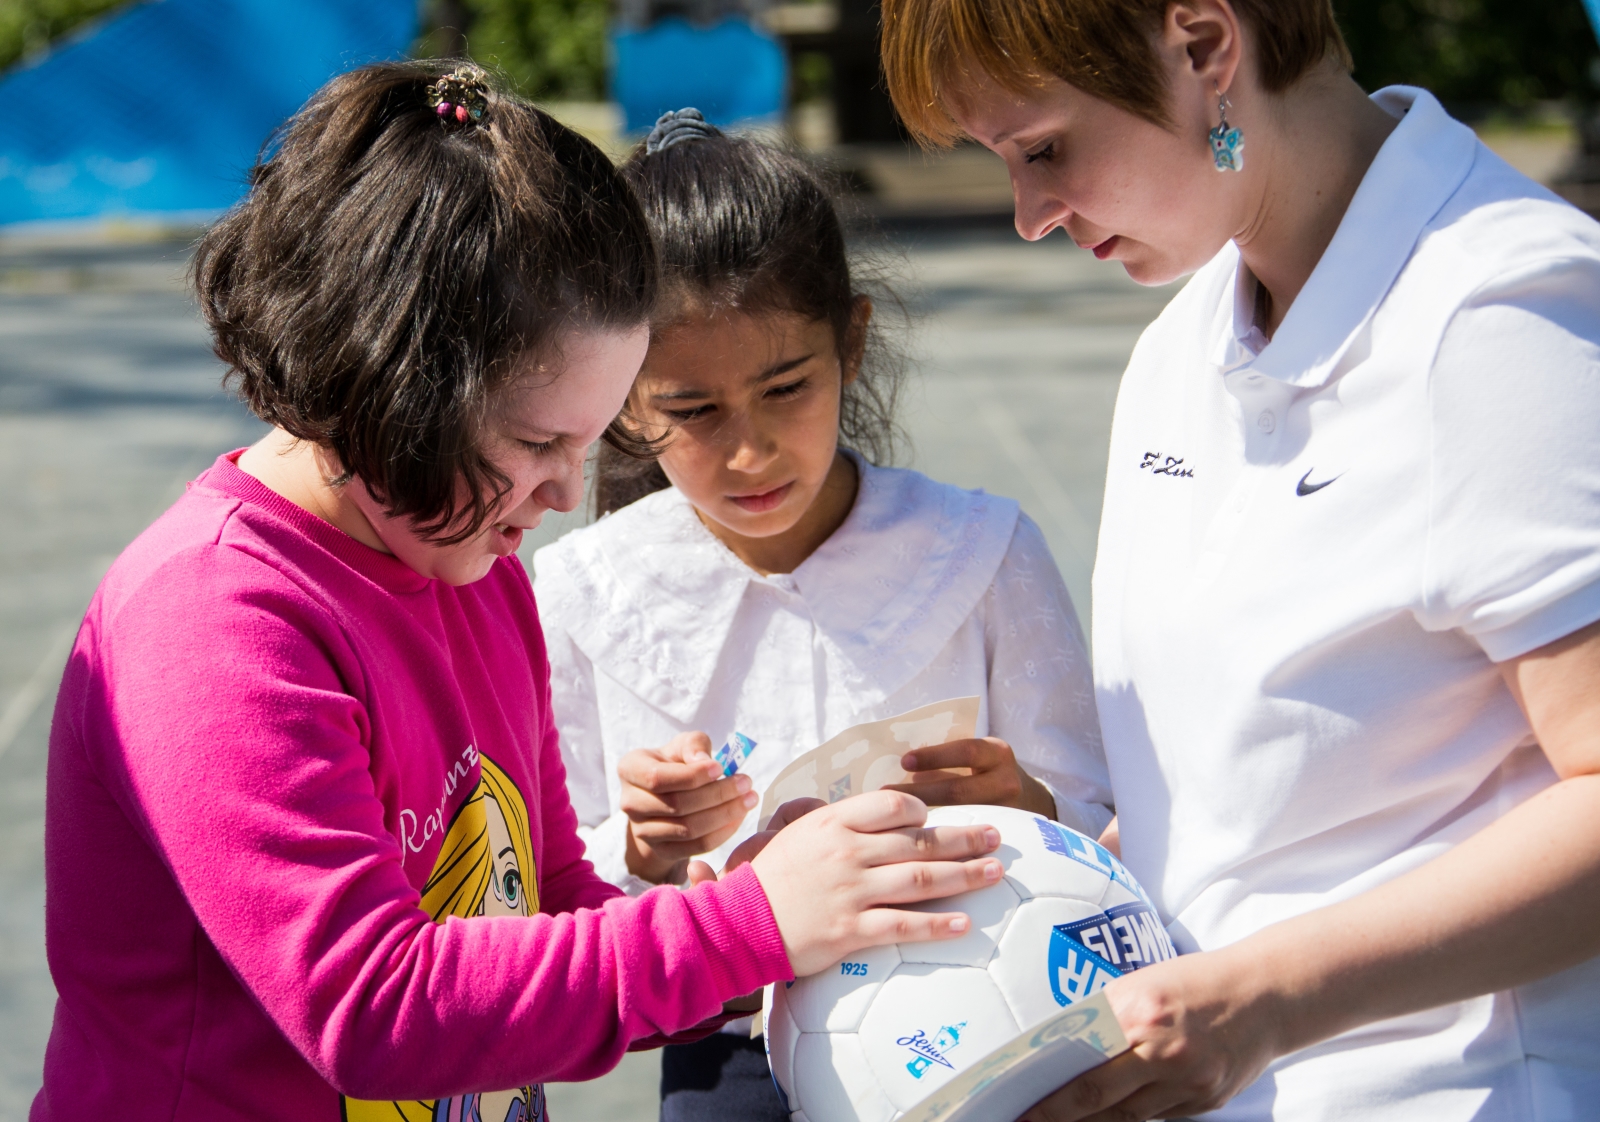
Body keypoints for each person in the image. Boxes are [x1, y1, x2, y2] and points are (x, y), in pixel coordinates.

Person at [31, 62, 1008, 1122]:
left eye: (590, 441)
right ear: (391, 386)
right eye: (537, 441)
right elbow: (371, 1006)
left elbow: (541, 897)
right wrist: (749, 926)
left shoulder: (473, 570)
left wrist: (744, 907)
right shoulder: (216, 619)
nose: (565, 492)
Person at [878, 1, 1600, 1120]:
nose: (1029, 214)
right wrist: (1036, 853)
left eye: (1044, 149)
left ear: (1207, 47)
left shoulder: (1499, 311)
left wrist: (1266, 998)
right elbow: (1253, 804)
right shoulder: (1184, 342)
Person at [531, 111, 1113, 1121]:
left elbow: (1102, 811)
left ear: (850, 341)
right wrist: (647, 846)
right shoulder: (583, 590)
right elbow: (550, 877)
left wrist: (1034, 805)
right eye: (692, 410)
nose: (749, 453)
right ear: (620, 399)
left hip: (984, 1013)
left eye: (785, 387)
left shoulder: (981, 551)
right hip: (728, 1049)